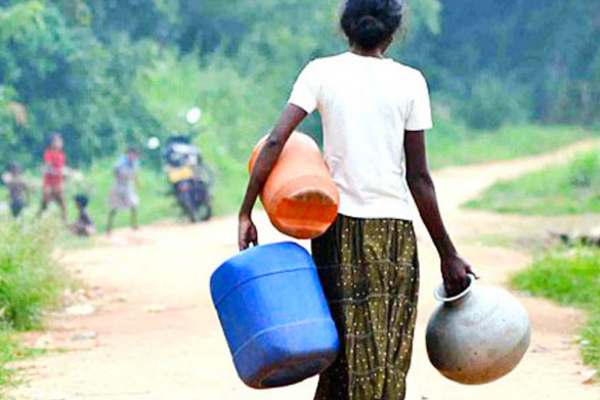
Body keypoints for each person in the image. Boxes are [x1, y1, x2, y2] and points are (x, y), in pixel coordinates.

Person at [237, 1, 477, 399]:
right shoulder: (410, 82)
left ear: (346, 26)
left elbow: (276, 141)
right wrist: (447, 253)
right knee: (389, 347)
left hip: (337, 230)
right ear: (394, 31)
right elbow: (419, 178)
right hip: (395, 234)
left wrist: (247, 211)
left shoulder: (321, 72)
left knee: (344, 351)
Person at [106, 146, 140, 235]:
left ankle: (134, 224)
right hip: (119, 184)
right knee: (114, 207)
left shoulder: (134, 163)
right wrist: (119, 175)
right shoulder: (122, 161)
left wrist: (136, 182)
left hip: (128, 185)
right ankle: (109, 227)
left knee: (134, 204)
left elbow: (134, 174)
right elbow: (115, 170)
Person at [38, 133, 67, 221]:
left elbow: (60, 168)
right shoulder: (49, 154)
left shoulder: (61, 155)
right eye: (58, 141)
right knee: (46, 201)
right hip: (49, 182)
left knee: (62, 203)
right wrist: (59, 172)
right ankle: (39, 218)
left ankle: (64, 221)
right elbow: (49, 167)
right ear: (52, 143)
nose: (60, 143)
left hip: (58, 182)